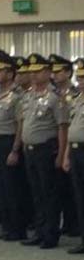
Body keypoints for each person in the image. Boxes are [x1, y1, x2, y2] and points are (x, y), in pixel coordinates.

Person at [20, 54, 68, 249]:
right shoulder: (29, 95)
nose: (33, 75)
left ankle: (50, 234)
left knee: (49, 194)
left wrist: (61, 153)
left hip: (46, 150)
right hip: (30, 150)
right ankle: (39, 232)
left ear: (48, 73)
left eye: (38, 71)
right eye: (31, 72)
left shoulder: (55, 98)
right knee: (36, 193)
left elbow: (62, 127)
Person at [0, 50, 29, 242]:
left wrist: (15, 149)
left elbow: (20, 124)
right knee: (0, 187)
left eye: (0, 70)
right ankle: (7, 226)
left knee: (12, 188)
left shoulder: (17, 95)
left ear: (10, 73)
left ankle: (17, 228)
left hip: (8, 142)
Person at [50, 54, 80, 237]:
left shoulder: (75, 94)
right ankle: (67, 224)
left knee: (72, 189)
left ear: (68, 72)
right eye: (52, 71)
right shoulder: (52, 94)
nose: (55, 75)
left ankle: (74, 224)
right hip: (56, 143)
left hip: (70, 143)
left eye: (58, 71)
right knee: (60, 188)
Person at [64, 59, 84, 254]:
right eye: (79, 77)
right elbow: (71, 129)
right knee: (80, 196)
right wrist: (67, 156)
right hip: (76, 151)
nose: (80, 81)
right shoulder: (77, 100)